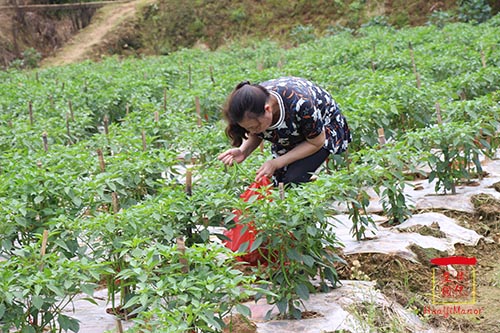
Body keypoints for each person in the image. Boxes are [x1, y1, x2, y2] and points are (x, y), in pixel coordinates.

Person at [218, 76, 351, 186]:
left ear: (268, 109)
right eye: (247, 128)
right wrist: (243, 151)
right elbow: (256, 132)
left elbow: (316, 142)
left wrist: (276, 163)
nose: (252, 131)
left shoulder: (301, 104)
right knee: (280, 183)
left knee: (293, 180)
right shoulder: (254, 105)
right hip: (293, 133)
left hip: (322, 132)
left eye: (253, 127)